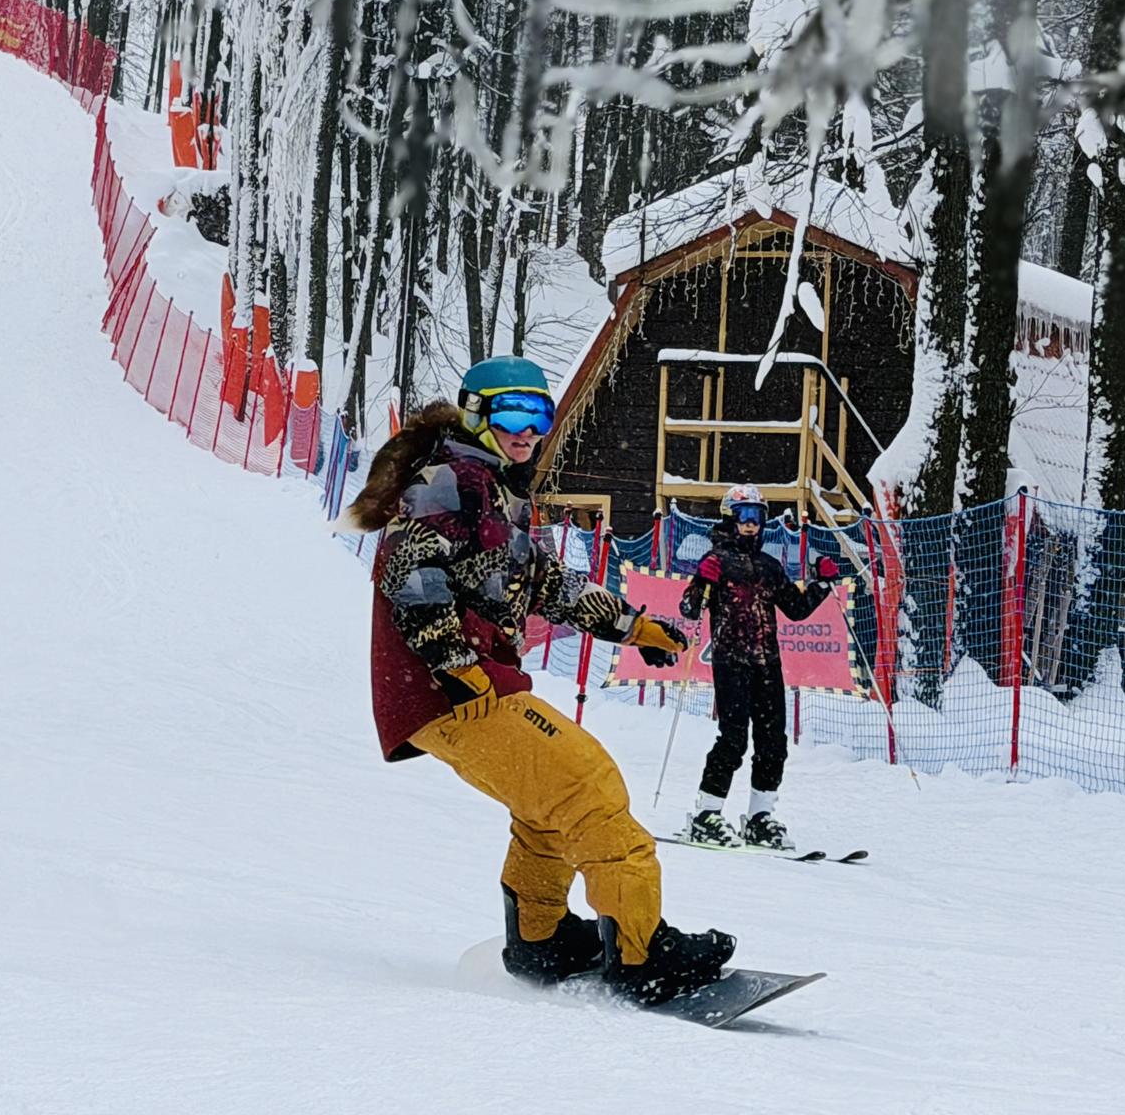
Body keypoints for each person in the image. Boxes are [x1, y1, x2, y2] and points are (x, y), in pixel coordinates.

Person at [347, 356, 735, 1007]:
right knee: (588, 784)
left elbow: (545, 584)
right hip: (456, 689)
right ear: (476, 413)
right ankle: (642, 953)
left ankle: (541, 937)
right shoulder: (452, 479)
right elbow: (409, 571)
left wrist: (632, 626)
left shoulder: (495, 489)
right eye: (513, 414)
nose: (529, 431)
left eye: (541, 416)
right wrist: (458, 666)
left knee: (547, 805)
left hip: (461, 687)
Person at [678, 484, 840, 850]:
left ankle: (760, 816)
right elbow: (689, 608)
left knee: (773, 741)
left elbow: (796, 609)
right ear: (730, 519)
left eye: (757, 517)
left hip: (768, 662)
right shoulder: (717, 561)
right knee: (733, 738)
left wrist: (822, 582)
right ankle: (707, 813)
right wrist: (703, 578)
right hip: (730, 660)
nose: (751, 525)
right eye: (744, 517)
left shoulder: (769, 566)